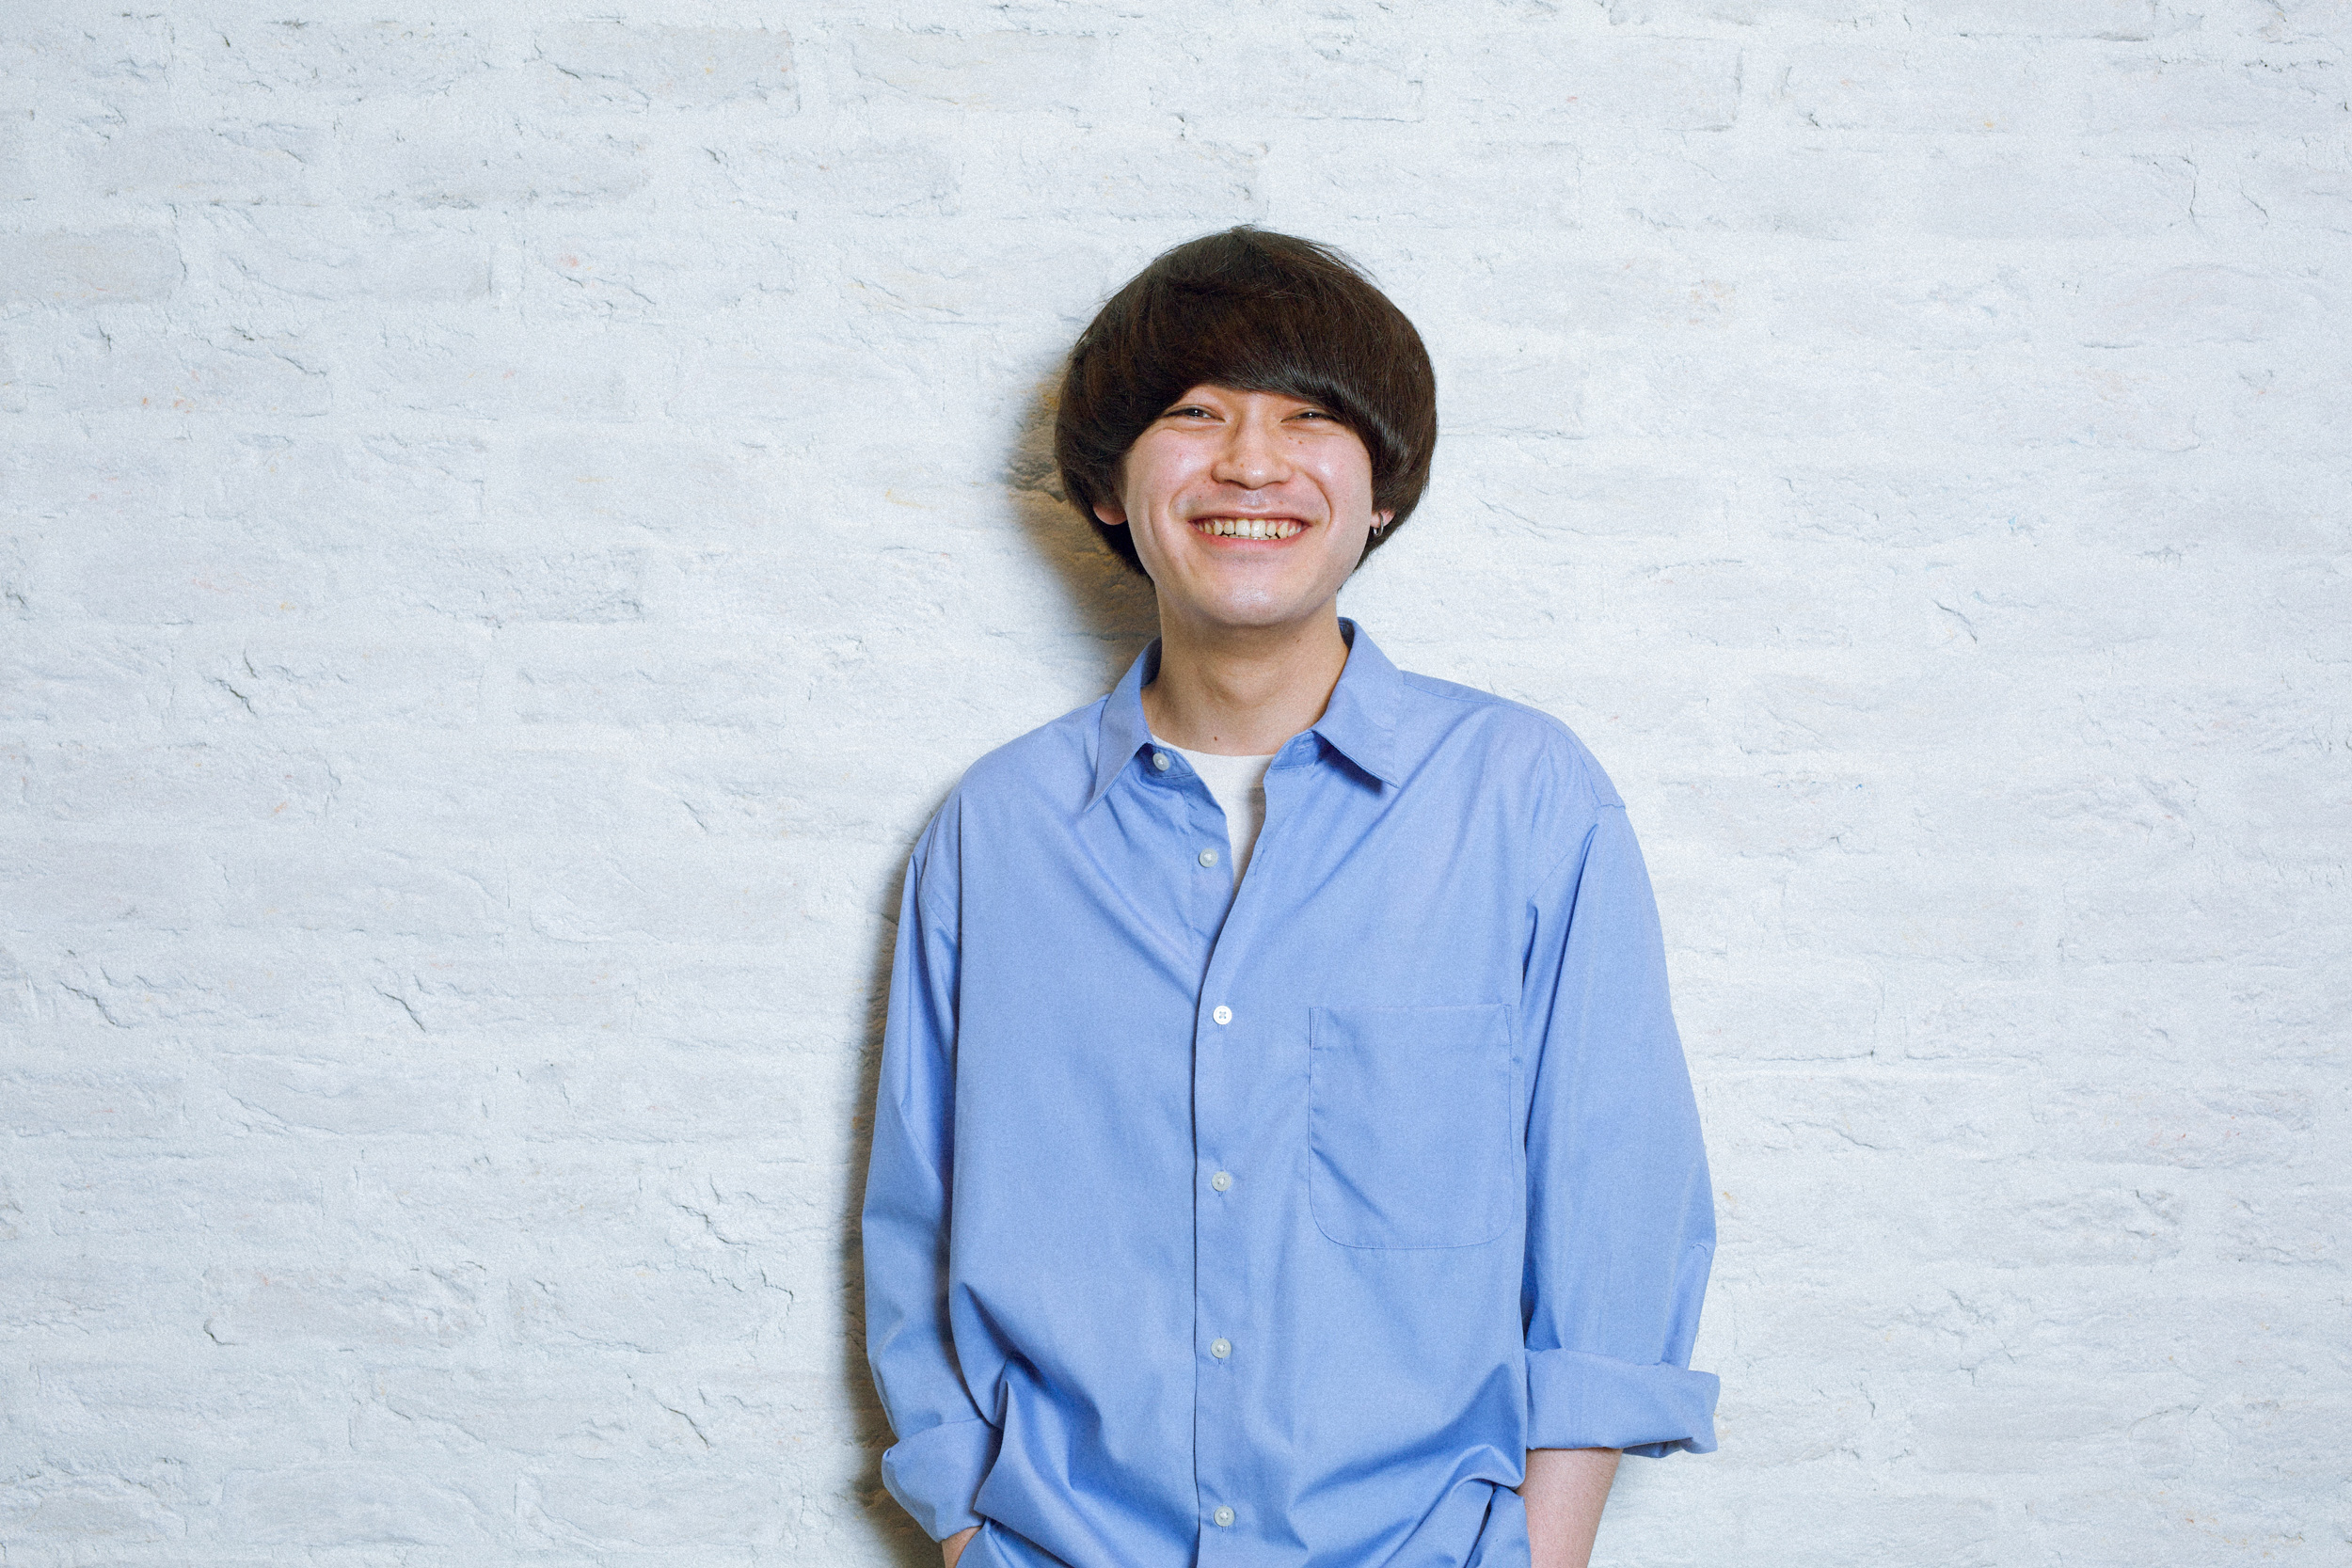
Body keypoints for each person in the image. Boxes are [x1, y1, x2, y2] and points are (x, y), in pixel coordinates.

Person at [861, 228, 1717, 1568]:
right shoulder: (999, 831)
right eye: (1194, 414)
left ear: (1382, 493)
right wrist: (972, 1532)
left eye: (1309, 416)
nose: (1252, 463)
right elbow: (918, 1218)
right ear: (1109, 488)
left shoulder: (1522, 800)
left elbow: (1615, 1205)